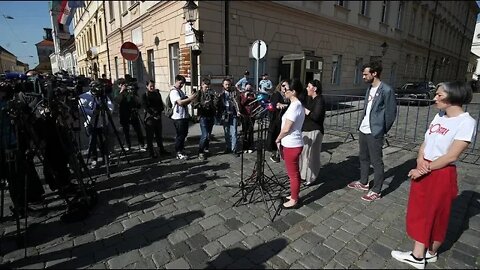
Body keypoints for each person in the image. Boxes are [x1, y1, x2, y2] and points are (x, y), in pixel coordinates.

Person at [391, 82, 476, 269]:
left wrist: (422, 169)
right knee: (420, 211)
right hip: (426, 166)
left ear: (452, 96)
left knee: (434, 214)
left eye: (439, 95)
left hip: (440, 172)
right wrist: (420, 158)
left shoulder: (466, 122)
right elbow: (426, 140)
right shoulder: (439, 115)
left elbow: (452, 155)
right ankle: (428, 253)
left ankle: (418, 256)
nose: (434, 98)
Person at [347, 61, 397, 202]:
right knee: (363, 158)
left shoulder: (386, 90)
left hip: (375, 131)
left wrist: (381, 129)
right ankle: (363, 182)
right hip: (363, 129)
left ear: (374, 73)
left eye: (365, 74)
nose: (363, 77)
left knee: (376, 161)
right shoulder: (369, 88)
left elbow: (391, 113)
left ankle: (376, 190)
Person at [275, 79, 306, 209]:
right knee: (293, 173)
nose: (284, 91)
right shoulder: (295, 104)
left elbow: (287, 128)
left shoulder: (295, 106)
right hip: (292, 143)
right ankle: (294, 195)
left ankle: (294, 200)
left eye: (287, 89)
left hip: (292, 144)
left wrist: (278, 139)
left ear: (293, 92)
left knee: (293, 174)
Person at [79, 80, 114, 168]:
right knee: (93, 143)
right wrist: (92, 112)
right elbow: (80, 109)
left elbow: (110, 105)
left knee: (104, 141)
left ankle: (106, 158)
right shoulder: (84, 96)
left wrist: (108, 110)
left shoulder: (103, 96)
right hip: (91, 123)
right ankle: (93, 159)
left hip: (102, 122)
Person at [300, 79, 326, 186]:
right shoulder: (310, 98)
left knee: (311, 156)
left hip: (314, 130)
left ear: (314, 89)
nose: (307, 88)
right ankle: (303, 174)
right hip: (306, 130)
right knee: (303, 154)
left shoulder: (320, 99)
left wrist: (306, 111)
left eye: (309, 86)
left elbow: (316, 116)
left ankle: (311, 177)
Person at [169, 74, 197, 160]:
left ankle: (182, 149)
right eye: (180, 83)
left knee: (184, 134)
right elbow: (180, 102)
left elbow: (184, 102)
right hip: (178, 117)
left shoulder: (180, 91)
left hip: (184, 116)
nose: (181, 85)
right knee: (180, 135)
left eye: (183, 84)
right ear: (176, 81)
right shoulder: (174, 92)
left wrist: (190, 98)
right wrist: (191, 98)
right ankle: (178, 152)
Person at [115, 78, 146, 152]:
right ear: (119, 85)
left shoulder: (131, 91)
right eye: (122, 84)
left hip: (133, 113)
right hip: (124, 113)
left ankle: (141, 144)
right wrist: (122, 91)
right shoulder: (117, 92)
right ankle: (127, 145)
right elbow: (117, 101)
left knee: (138, 130)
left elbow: (138, 102)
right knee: (126, 131)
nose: (124, 86)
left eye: (124, 84)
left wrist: (133, 93)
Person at [142, 80, 169, 158]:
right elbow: (145, 107)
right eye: (150, 86)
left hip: (158, 116)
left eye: (153, 85)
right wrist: (153, 114)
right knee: (150, 136)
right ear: (147, 86)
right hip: (150, 118)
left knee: (159, 135)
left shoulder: (157, 94)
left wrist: (159, 112)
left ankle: (161, 149)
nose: (152, 87)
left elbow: (161, 104)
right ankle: (151, 152)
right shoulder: (145, 95)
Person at [193, 77, 218, 160]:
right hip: (203, 116)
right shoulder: (198, 93)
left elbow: (215, 104)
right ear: (202, 85)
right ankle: (200, 152)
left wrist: (216, 99)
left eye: (208, 87)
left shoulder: (211, 93)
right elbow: (194, 105)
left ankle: (206, 149)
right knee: (205, 135)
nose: (207, 89)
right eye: (205, 87)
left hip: (210, 115)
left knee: (208, 135)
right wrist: (203, 103)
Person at [266, 80, 290, 163]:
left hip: (285, 119)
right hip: (276, 119)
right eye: (283, 85)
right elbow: (273, 103)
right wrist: (278, 105)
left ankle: (281, 152)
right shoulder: (277, 94)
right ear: (280, 86)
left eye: (286, 86)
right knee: (275, 136)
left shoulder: (289, 95)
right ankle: (274, 153)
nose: (285, 88)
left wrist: (285, 105)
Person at [217, 78, 241, 157]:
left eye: (228, 84)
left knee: (234, 132)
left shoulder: (234, 92)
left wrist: (238, 111)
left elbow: (237, 102)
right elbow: (218, 105)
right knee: (226, 132)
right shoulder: (221, 93)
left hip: (233, 114)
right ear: (223, 85)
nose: (227, 86)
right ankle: (228, 147)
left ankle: (234, 149)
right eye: (226, 84)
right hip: (225, 115)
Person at [239, 83, 256, 153]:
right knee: (244, 131)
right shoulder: (242, 95)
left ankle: (250, 146)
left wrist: (255, 97)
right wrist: (245, 97)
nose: (248, 90)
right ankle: (244, 146)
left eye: (250, 88)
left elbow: (256, 104)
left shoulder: (253, 95)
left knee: (251, 131)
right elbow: (241, 104)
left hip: (252, 115)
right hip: (245, 115)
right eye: (247, 88)